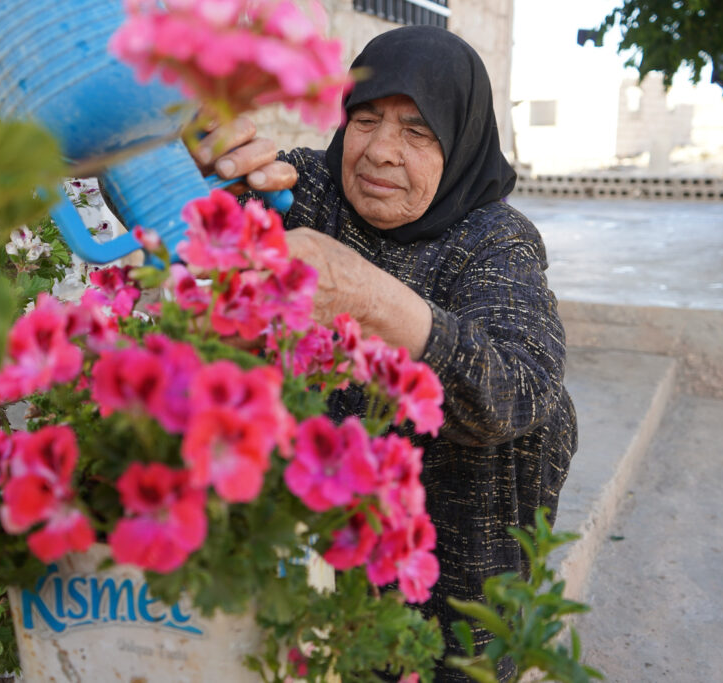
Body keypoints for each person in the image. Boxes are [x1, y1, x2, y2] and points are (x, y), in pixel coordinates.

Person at [196, 25, 577, 682]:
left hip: (446, 558)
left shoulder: (495, 240)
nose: (379, 151)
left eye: (417, 131)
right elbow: (184, 226)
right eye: (365, 119)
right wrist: (189, 161)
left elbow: (518, 388)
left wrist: (371, 299)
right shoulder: (307, 189)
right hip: (304, 536)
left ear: (459, 140)